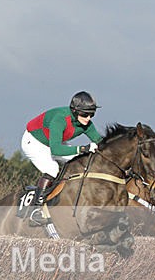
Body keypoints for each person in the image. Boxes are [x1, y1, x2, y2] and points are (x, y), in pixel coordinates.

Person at [21, 91, 103, 225]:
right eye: (84, 114)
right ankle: (35, 211)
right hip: (34, 142)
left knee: (83, 162)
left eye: (91, 114)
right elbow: (56, 150)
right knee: (53, 169)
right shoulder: (60, 119)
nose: (88, 118)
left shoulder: (86, 124)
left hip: (54, 142)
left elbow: (100, 142)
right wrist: (82, 148)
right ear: (75, 111)